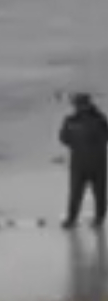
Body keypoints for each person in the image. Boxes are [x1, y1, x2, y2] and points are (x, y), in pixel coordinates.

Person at [59, 92, 108, 229]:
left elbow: (63, 139)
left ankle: (73, 219)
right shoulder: (99, 119)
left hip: (82, 163)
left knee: (78, 193)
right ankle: (97, 219)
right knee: (97, 193)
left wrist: (76, 144)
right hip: (96, 162)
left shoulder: (71, 120)